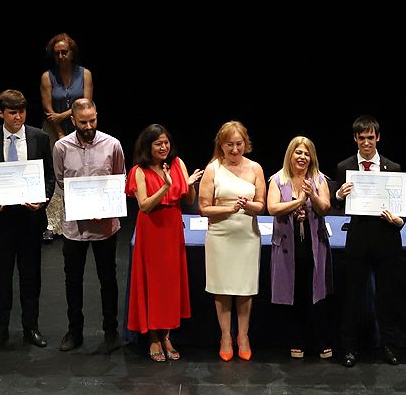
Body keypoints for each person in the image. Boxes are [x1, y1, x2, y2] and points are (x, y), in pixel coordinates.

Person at [0, 89, 53, 349]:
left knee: (31, 277)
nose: (18, 117)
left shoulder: (39, 137)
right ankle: (0, 330)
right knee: (1, 278)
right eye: (13, 113)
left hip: (30, 220)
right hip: (0, 222)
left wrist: (42, 199)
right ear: (1, 113)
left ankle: (30, 328)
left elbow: (49, 177)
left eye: (22, 112)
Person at [53, 98, 127, 354]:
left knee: (108, 280)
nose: (89, 125)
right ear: (73, 120)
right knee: (72, 281)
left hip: (105, 226)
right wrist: (83, 204)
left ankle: (111, 332)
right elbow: (61, 181)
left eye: (92, 120)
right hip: (74, 227)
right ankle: (75, 332)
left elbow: (119, 179)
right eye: (83, 122)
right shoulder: (61, 147)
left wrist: (103, 207)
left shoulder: (112, 145)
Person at [333, 116, 404, 367]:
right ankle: (349, 349)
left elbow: (400, 213)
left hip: (386, 239)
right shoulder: (345, 167)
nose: (366, 143)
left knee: (387, 297)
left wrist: (398, 220)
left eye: (370, 138)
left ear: (378, 138)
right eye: (361, 138)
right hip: (358, 239)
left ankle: (389, 346)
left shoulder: (392, 168)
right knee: (352, 297)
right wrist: (339, 196)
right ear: (355, 139)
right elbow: (335, 204)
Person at [126, 124, 201, 361]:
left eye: (166, 142)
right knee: (153, 282)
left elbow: (190, 201)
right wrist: (167, 186)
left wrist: (188, 185)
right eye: (158, 143)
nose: (164, 147)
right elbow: (145, 205)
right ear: (148, 146)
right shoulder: (139, 170)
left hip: (172, 229)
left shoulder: (177, 164)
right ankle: (153, 338)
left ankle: (167, 335)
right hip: (151, 230)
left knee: (170, 282)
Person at [198, 121, 265, 361]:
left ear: (245, 144)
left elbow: (261, 205)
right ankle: (226, 336)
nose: (235, 150)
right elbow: (204, 208)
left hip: (246, 237)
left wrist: (248, 206)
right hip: (220, 236)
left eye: (239, 144)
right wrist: (227, 209)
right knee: (223, 288)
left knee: (245, 289)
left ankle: (243, 336)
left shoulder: (255, 168)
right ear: (222, 145)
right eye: (230, 145)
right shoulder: (213, 169)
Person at [268, 136, 334, 360]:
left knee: (315, 292)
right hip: (288, 245)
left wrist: (311, 196)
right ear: (290, 155)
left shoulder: (319, 179)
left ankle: (320, 340)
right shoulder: (278, 179)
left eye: (306, 153)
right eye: (298, 152)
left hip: (313, 244)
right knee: (294, 292)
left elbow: (325, 207)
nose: (302, 157)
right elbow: (272, 208)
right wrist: (298, 203)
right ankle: (296, 340)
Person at [39, 33, 93, 241]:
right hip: (53, 129)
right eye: (57, 53)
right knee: (56, 173)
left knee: (81, 169)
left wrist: (64, 115)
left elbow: (86, 104)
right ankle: (53, 224)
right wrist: (60, 132)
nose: (61, 56)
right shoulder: (47, 76)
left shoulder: (85, 74)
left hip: (81, 127)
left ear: (72, 53)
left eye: (65, 52)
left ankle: (80, 216)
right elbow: (47, 110)